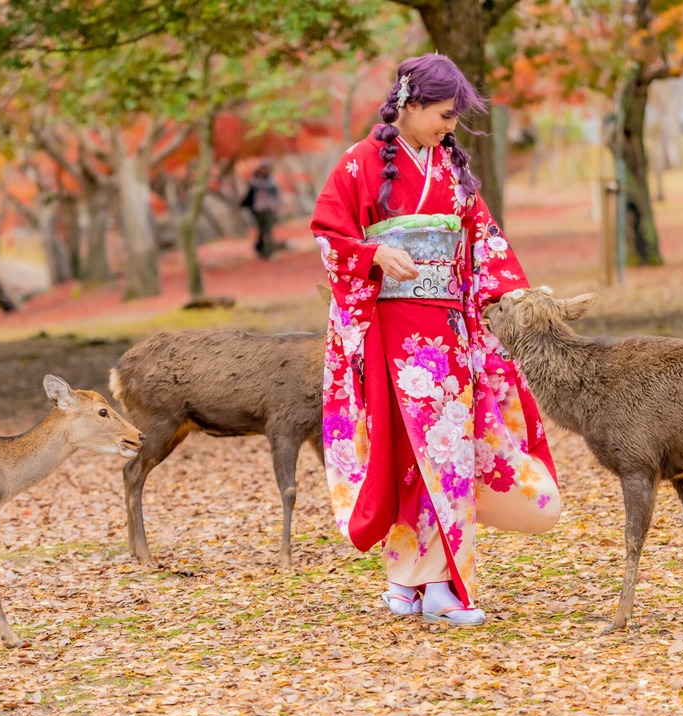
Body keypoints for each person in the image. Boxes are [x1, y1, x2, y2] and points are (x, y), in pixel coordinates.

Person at [311, 53, 562, 626]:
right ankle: (436, 587)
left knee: (445, 454)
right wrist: (373, 254)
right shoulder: (360, 163)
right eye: (445, 114)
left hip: (449, 332)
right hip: (390, 331)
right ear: (412, 101)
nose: (451, 126)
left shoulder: (451, 170)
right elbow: (330, 234)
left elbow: (484, 241)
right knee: (413, 455)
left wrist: (510, 296)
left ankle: (417, 584)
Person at [241, 163, 281, 260]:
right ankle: (260, 248)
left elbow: (276, 196)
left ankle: (268, 252)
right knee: (262, 231)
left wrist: (275, 208)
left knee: (268, 231)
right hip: (257, 211)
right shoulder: (253, 184)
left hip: (268, 210)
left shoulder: (271, 184)